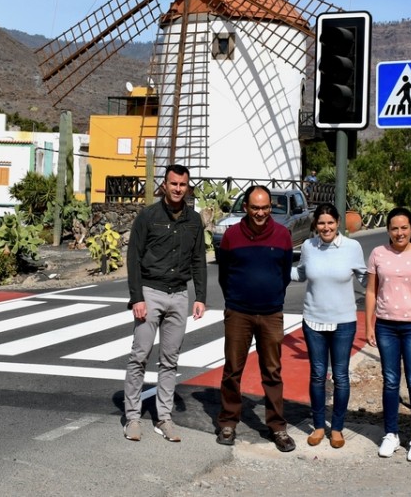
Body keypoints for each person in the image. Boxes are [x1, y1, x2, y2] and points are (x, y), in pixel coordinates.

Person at [122, 164, 207, 443]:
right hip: (151, 292)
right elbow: (133, 258)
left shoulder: (194, 220)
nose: (177, 189)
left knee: (170, 360)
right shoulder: (148, 217)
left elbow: (198, 260)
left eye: (182, 185)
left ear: (187, 186)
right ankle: (133, 417)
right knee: (140, 355)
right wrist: (137, 298)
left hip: (179, 295)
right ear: (164, 185)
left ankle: (164, 418)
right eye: (173, 184)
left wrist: (201, 298)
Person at [215, 185, 296, 452]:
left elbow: (284, 274)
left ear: (270, 207)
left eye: (265, 207)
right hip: (239, 312)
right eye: (255, 208)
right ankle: (228, 421)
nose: (260, 213)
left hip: (271, 313)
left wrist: (272, 296)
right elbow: (224, 273)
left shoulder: (283, 235)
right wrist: (235, 300)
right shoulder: (232, 236)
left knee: (272, 371)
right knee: (232, 370)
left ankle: (277, 427)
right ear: (246, 208)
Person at [291, 204, 366, 449]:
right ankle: (319, 426)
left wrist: (387, 277)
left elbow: (366, 278)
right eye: (321, 223)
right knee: (317, 374)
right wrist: (274, 267)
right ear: (316, 225)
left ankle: (337, 428)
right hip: (313, 320)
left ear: (338, 223)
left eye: (330, 223)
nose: (326, 227)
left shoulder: (352, 248)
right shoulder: (309, 247)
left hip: (344, 322)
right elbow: (301, 274)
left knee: (341, 376)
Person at [364, 207, 411, 462]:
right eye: (394, 228)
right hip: (386, 326)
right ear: (388, 230)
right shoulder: (378, 254)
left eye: (404, 227)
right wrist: (369, 325)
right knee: (390, 380)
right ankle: (391, 434)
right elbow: (371, 291)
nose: (399, 232)